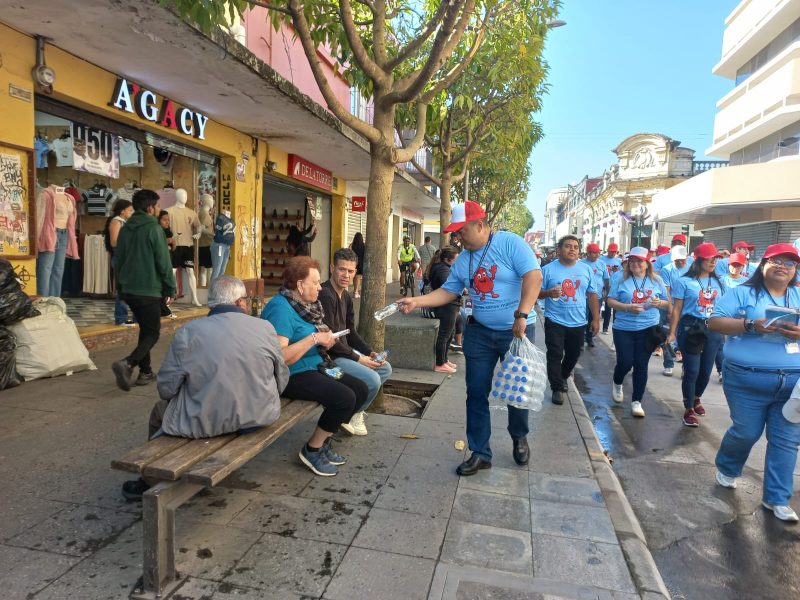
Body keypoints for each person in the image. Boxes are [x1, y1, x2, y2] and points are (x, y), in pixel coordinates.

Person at [397, 201, 542, 475]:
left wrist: (522, 314)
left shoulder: (510, 243)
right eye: (455, 233)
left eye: (461, 231)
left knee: (516, 390)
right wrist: (416, 301)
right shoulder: (464, 260)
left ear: (479, 225)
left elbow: (533, 277)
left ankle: (519, 435)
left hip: (517, 332)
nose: (457, 237)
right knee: (476, 392)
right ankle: (480, 452)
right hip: (479, 334)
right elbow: (449, 292)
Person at [120, 276, 289, 501]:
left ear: (213, 304)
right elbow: (282, 378)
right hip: (260, 416)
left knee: (160, 411)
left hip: (209, 423)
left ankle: (151, 478)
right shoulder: (265, 327)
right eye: (246, 300)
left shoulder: (189, 332)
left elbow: (167, 389)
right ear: (240, 303)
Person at [709, 243, 800, 522]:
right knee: (746, 432)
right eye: (777, 261)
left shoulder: (798, 294)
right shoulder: (742, 293)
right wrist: (750, 325)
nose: (783, 266)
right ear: (763, 264)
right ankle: (727, 466)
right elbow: (715, 322)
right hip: (746, 378)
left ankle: (777, 498)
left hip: (792, 382)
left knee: (786, 440)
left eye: (790, 262)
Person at [261, 256, 368, 476]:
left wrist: (326, 339)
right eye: (315, 283)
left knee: (359, 389)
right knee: (344, 397)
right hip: (292, 374)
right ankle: (312, 449)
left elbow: (313, 338)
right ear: (300, 285)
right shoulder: (281, 309)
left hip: (317, 366)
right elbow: (279, 358)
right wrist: (314, 339)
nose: (320, 287)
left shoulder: (305, 305)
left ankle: (326, 440)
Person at [318, 248, 392, 436]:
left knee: (384, 368)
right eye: (342, 269)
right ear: (332, 267)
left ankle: (353, 413)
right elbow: (331, 340)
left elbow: (351, 333)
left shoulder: (347, 296)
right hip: (330, 358)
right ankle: (346, 415)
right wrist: (359, 360)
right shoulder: (326, 294)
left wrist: (370, 353)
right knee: (373, 379)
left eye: (351, 271)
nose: (346, 275)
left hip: (345, 352)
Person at [111, 190, 176, 392]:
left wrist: (120, 287)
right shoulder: (153, 229)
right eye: (157, 206)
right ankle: (128, 363)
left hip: (129, 289)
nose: (158, 210)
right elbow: (164, 263)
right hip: (148, 289)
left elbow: (118, 259)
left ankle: (146, 371)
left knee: (145, 329)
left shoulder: (126, 227)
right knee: (153, 333)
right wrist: (171, 288)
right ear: (149, 208)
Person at [605, 247, 669, 418]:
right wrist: (627, 307)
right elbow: (610, 301)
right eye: (632, 260)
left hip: (649, 328)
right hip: (624, 328)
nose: (635, 264)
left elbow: (668, 303)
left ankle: (636, 402)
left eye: (639, 261)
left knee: (641, 365)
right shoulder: (619, 277)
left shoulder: (657, 280)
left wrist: (658, 303)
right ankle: (617, 382)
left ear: (647, 263)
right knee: (625, 362)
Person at [667, 242, 725, 427]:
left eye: (715, 258)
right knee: (692, 370)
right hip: (691, 327)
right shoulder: (683, 281)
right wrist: (672, 333)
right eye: (709, 258)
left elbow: (723, 307)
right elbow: (677, 309)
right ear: (698, 260)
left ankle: (697, 398)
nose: (713, 262)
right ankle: (688, 408)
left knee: (706, 371)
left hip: (713, 328)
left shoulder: (719, 281)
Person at [540, 236, 600, 405]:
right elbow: (536, 292)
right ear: (559, 250)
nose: (572, 249)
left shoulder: (586, 269)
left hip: (578, 322)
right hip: (554, 320)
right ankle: (557, 388)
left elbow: (592, 294)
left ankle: (563, 376)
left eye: (575, 247)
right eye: (568, 246)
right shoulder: (548, 270)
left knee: (574, 354)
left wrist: (595, 319)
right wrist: (549, 293)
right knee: (555, 355)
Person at [658, 246, 691, 376]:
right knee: (665, 334)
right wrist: (671, 309)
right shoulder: (667, 270)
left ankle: (685, 367)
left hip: (686, 306)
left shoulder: (691, 267)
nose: (681, 262)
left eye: (683, 260)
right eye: (678, 260)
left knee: (685, 336)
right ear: (674, 260)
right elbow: (667, 291)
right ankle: (668, 363)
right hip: (670, 304)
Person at [427, 247, 461, 373]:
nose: (458, 262)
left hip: (449, 306)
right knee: (444, 335)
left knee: (449, 333)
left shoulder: (443, 267)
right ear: (447, 259)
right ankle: (440, 363)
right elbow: (446, 287)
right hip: (446, 306)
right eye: (456, 259)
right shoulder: (442, 269)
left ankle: (444, 360)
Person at [104, 199, 134, 326]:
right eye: (130, 210)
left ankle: (130, 316)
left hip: (127, 257)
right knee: (122, 288)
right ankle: (121, 317)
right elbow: (114, 242)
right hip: (120, 257)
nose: (132, 212)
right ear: (123, 211)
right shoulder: (116, 222)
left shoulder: (124, 222)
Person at [580, 243, 610, 348]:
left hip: (597, 296)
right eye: (594, 253)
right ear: (587, 253)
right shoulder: (580, 264)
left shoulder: (601, 264)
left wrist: (608, 292)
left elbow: (606, 280)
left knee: (593, 317)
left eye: (598, 253)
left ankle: (589, 338)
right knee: (583, 317)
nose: (597, 255)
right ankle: (580, 340)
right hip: (583, 296)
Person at [599, 243, 622, 334]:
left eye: (614, 252)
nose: (612, 253)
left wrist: (616, 271)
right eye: (611, 251)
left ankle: (607, 328)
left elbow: (622, 272)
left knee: (612, 307)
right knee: (603, 306)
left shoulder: (619, 261)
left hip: (614, 286)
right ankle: (600, 325)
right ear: (607, 250)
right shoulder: (601, 259)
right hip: (603, 286)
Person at [350, 232, 365, 298]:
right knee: (358, 277)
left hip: (353, 263)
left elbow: (349, 253)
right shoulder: (364, 246)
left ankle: (354, 291)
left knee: (354, 277)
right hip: (361, 263)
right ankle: (356, 292)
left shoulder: (352, 245)